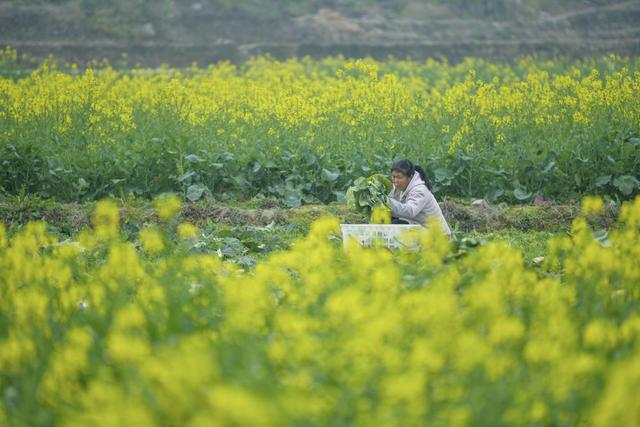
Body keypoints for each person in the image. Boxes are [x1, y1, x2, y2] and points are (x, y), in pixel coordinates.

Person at [389, 159, 451, 235]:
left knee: (397, 224)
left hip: (438, 236)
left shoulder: (420, 190)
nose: (395, 181)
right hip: (419, 227)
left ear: (410, 177)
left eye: (399, 177)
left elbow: (410, 211)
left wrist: (387, 202)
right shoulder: (398, 186)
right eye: (393, 177)